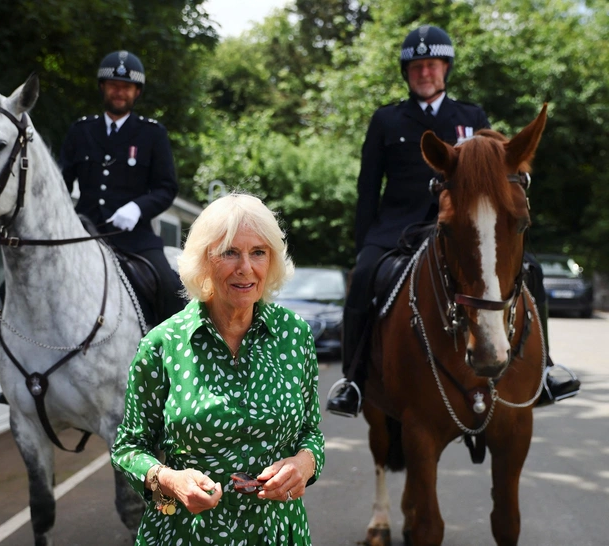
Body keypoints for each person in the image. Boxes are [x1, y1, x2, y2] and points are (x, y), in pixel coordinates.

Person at [326, 24, 581, 417]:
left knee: (531, 270)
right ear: (406, 74)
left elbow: (497, 178)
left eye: (432, 65)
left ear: (445, 68)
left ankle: (545, 369)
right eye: (416, 67)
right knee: (362, 276)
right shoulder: (386, 120)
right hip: (397, 226)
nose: (424, 73)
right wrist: (366, 243)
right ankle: (354, 380)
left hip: (463, 225)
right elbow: (367, 189)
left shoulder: (471, 115)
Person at [111, 193, 325, 545]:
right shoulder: (163, 344)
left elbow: (310, 433)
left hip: (276, 533)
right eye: (229, 252)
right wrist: (169, 480)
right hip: (187, 533)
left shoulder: (295, 335)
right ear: (204, 260)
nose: (245, 267)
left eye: (258, 252)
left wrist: (304, 463)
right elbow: (129, 447)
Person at [60, 50, 187, 323]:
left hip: (135, 238)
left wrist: (137, 208)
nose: (120, 92)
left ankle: (172, 358)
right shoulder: (81, 131)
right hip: (83, 233)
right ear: (102, 87)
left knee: (171, 289)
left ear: (137, 92)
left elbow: (166, 188)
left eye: (126, 87)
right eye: (114, 85)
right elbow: (61, 184)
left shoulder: (153, 134)